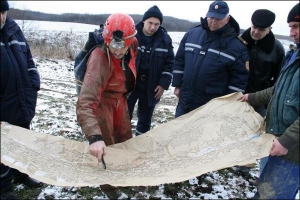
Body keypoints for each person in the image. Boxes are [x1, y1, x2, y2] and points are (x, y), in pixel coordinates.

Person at [238, 3, 299, 199]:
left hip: (291, 148)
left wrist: (287, 141)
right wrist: (250, 97)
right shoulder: (295, 55)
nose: (291, 33)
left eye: (296, 27)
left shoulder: (279, 50)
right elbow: (279, 89)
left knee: (274, 194)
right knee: (266, 188)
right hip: (277, 136)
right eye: (290, 27)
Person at [76, 13, 138, 199]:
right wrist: (94, 137)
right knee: (107, 146)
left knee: (124, 140)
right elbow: (85, 102)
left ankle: (121, 175)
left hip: (121, 101)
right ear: (106, 39)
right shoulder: (99, 59)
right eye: (114, 45)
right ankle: (109, 188)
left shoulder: (133, 44)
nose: (118, 51)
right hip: (102, 102)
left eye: (123, 45)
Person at [172, 0, 249, 118]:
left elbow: (239, 78)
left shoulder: (237, 47)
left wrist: (229, 103)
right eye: (211, 17)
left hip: (211, 105)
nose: (213, 21)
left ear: (227, 19)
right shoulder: (192, 34)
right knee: (177, 132)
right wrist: (177, 84)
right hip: (185, 99)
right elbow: (180, 60)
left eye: (218, 19)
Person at [0, 1, 42, 199]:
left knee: (22, 139)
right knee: (2, 144)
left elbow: (28, 60)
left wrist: (33, 83)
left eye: (3, 12)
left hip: (22, 98)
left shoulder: (14, 29)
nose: (1, 17)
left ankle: (21, 174)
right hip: (3, 100)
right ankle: (4, 188)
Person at [237, 9, 285, 176]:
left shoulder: (277, 49)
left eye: (261, 30)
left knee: (254, 132)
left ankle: (244, 164)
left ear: (270, 29)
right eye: (254, 27)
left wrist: (267, 100)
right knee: (232, 128)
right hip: (235, 95)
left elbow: (279, 80)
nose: (256, 32)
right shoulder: (239, 41)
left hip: (260, 98)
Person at [127, 5, 174, 136]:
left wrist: (163, 83)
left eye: (157, 24)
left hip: (151, 85)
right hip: (130, 84)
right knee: (124, 117)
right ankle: (122, 144)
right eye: (150, 23)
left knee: (145, 120)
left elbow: (170, 63)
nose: (153, 27)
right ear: (144, 21)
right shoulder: (131, 35)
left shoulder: (165, 40)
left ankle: (140, 144)